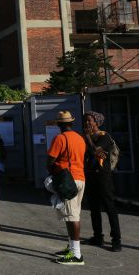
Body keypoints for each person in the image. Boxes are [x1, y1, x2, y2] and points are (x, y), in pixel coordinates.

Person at [47, 110, 86, 266]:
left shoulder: (60, 139)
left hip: (68, 181)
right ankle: (71, 248)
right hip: (80, 179)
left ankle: (77, 255)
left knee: (72, 216)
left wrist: (53, 170)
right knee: (73, 213)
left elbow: (49, 162)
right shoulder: (80, 138)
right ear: (72, 122)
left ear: (59, 124)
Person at [83, 110, 121, 252]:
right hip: (90, 176)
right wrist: (93, 148)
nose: (87, 123)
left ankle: (116, 240)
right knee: (94, 208)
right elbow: (92, 152)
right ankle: (97, 237)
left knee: (110, 208)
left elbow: (95, 150)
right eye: (85, 120)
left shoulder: (104, 136)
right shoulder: (88, 138)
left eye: (89, 120)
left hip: (103, 176)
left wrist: (89, 140)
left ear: (97, 122)